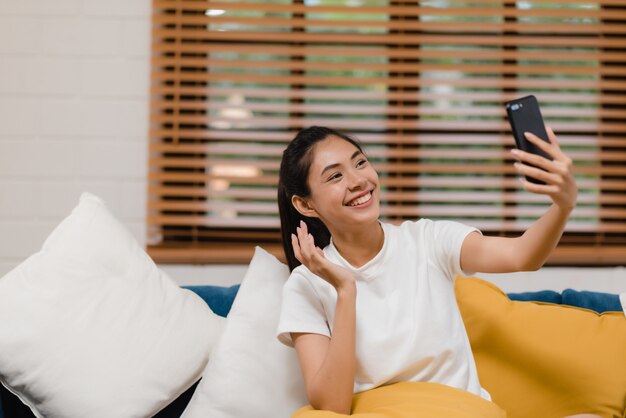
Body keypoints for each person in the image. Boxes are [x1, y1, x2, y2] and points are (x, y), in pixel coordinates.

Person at [275, 126, 590, 417]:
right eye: (335, 177)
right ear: (305, 205)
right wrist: (346, 291)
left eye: (360, 163)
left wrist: (563, 206)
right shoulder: (307, 284)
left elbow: (522, 256)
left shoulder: (428, 241)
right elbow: (332, 405)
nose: (358, 181)